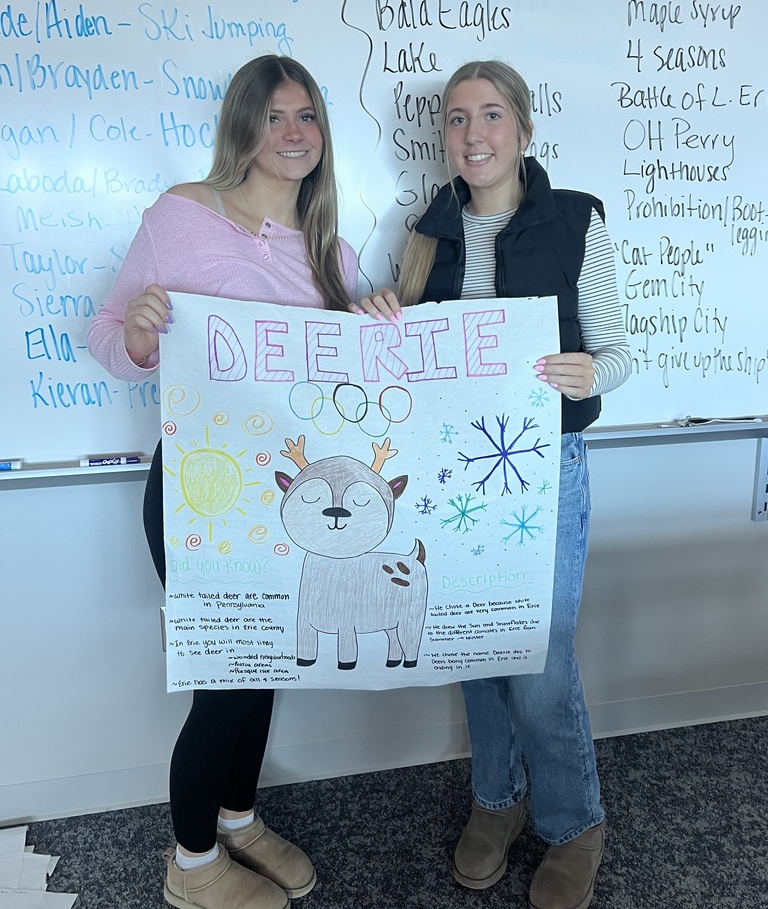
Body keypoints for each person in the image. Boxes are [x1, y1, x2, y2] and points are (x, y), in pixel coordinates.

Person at [353, 59, 631, 909]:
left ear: (523, 128)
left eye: (492, 116)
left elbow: (616, 355)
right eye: (457, 120)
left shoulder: (576, 220)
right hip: (452, 475)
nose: (474, 135)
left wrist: (591, 375)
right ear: (444, 136)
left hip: (546, 468)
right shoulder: (425, 232)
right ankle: (496, 803)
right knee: (472, 644)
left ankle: (574, 821)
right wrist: (377, 320)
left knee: (540, 658)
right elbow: (398, 368)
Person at [88, 54, 358, 909]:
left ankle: (239, 819)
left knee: (265, 665)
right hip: (200, 491)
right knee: (227, 675)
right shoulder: (181, 215)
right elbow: (107, 332)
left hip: (288, 499)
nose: (293, 134)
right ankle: (191, 863)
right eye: (274, 116)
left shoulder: (333, 253)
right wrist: (135, 333)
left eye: (307, 117)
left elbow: (353, 389)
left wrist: (380, 319)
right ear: (241, 126)